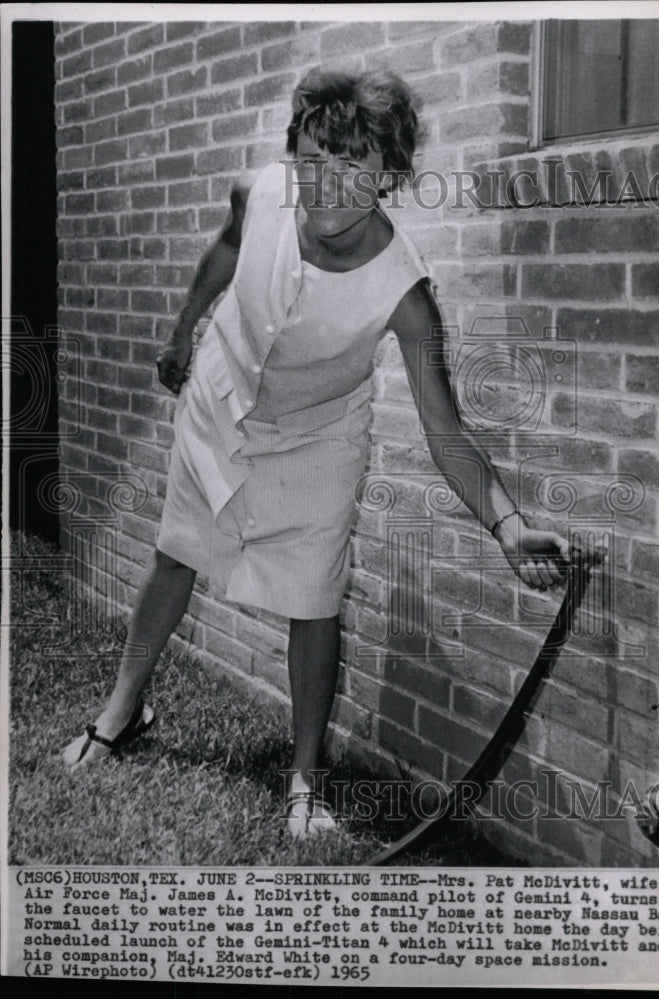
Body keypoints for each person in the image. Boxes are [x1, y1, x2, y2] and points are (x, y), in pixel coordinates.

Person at [62, 69, 569, 838]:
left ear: (389, 175)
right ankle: (119, 715)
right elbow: (225, 253)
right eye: (311, 160)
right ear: (291, 156)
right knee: (175, 553)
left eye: (351, 167)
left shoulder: (404, 291)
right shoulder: (259, 190)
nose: (325, 185)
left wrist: (506, 526)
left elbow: (444, 429)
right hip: (222, 395)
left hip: (320, 435)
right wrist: (179, 328)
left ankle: (305, 782)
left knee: (314, 599)